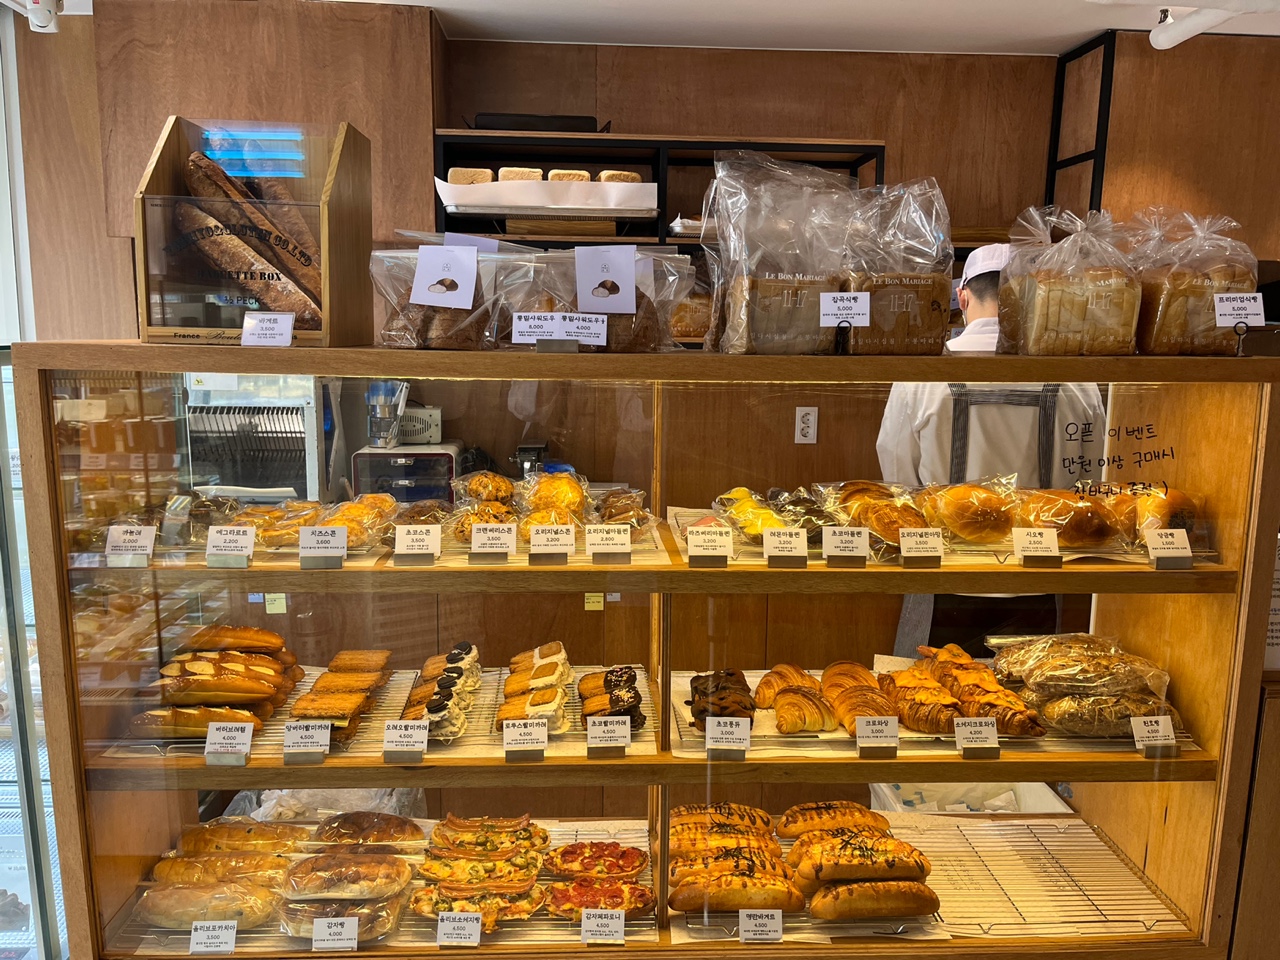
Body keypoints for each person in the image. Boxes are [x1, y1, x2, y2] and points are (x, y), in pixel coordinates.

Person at [876, 243, 1106, 658]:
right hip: (1041, 577)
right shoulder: (1078, 379)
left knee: (930, 690)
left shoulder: (920, 375)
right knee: (1029, 694)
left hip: (942, 574)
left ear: (962, 298)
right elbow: (1091, 480)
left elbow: (898, 480)